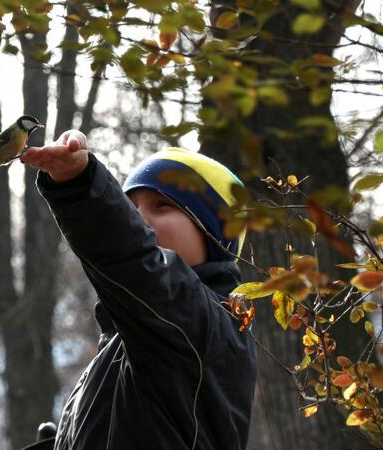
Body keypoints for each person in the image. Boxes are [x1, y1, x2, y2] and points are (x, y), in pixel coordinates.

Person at [19, 130, 257, 450]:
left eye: (162, 206)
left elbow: (134, 259)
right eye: (131, 208)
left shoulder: (205, 325)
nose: (141, 220)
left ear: (215, 235)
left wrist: (78, 181)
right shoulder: (120, 347)